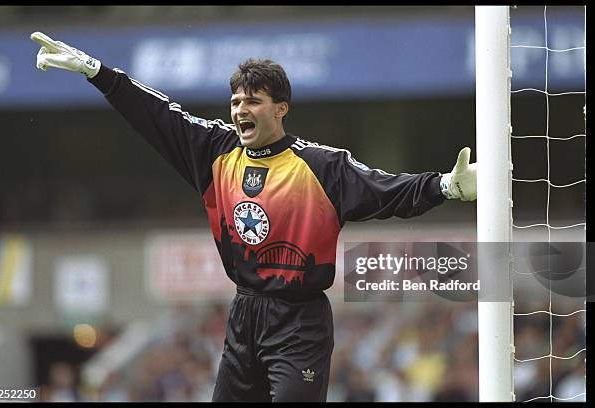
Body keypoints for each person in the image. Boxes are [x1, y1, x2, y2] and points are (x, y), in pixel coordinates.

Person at [31, 31, 477, 402]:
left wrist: (445, 186)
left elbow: (387, 190)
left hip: (300, 323)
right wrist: (98, 73)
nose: (241, 109)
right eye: (236, 101)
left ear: (280, 109)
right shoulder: (216, 152)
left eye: (254, 101)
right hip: (244, 315)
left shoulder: (321, 167)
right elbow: (157, 115)